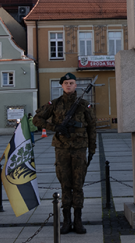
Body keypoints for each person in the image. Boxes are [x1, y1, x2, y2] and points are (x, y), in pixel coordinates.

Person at [35, 72, 97, 234]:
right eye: (66, 83)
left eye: (71, 83)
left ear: (76, 85)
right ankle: (66, 220)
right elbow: (37, 119)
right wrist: (55, 128)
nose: (68, 85)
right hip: (62, 148)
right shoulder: (54, 104)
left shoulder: (84, 105)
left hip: (79, 149)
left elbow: (92, 128)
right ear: (61, 86)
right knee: (65, 185)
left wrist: (92, 149)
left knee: (78, 185)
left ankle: (78, 220)